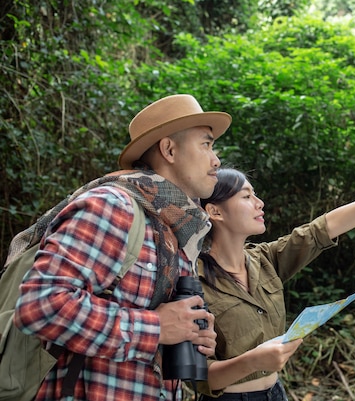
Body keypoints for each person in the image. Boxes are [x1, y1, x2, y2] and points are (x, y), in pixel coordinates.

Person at [13, 94, 229, 401]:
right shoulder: (113, 206)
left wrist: (188, 332)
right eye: (206, 144)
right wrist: (156, 328)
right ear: (169, 149)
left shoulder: (172, 229)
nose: (216, 159)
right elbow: (41, 305)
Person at [194, 158, 355, 400]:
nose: (260, 203)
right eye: (247, 197)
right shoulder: (194, 279)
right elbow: (198, 376)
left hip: (276, 393)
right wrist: (252, 361)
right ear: (215, 211)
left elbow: (324, 228)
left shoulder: (265, 260)